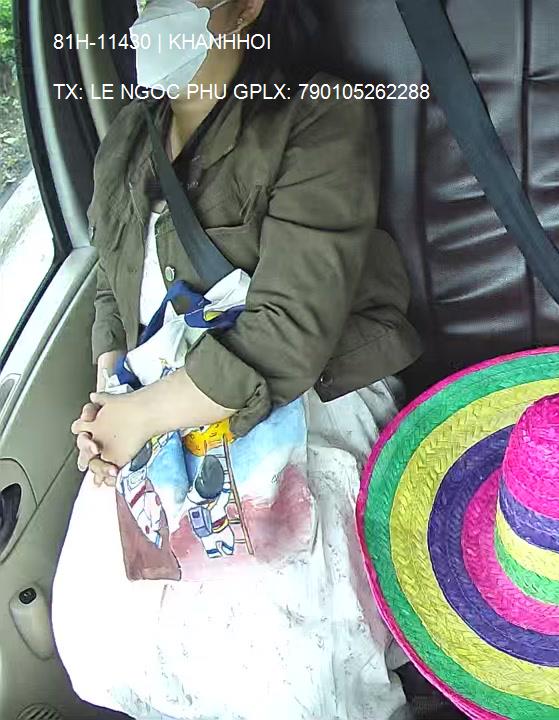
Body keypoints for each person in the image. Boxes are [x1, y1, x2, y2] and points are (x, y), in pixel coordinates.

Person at [51, 1, 422, 718]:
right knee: (121, 649)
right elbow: (111, 285)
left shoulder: (316, 112)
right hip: (154, 406)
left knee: (280, 676)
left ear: (248, 5)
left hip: (301, 394)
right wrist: (108, 404)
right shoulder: (127, 135)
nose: (151, 13)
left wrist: (143, 416)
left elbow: (290, 335)